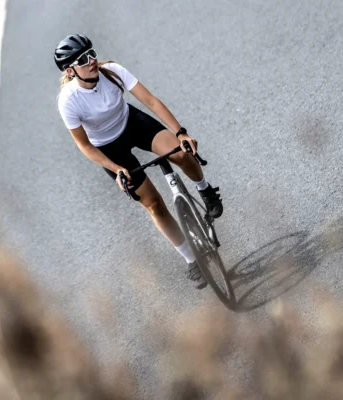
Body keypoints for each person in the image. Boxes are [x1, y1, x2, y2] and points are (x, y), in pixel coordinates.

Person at [54, 34, 223, 289]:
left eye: (92, 53)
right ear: (70, 70)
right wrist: (116, 170)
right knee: (153, 204)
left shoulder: (112, 71)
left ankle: (205, 190)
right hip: (108, 148)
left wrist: (181, 132)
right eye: (83, 59)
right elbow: (84, 145)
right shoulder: (68, 100)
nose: (92, 60)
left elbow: (151, 101)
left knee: (181, 153)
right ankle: (191, 259)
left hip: (131, 123)